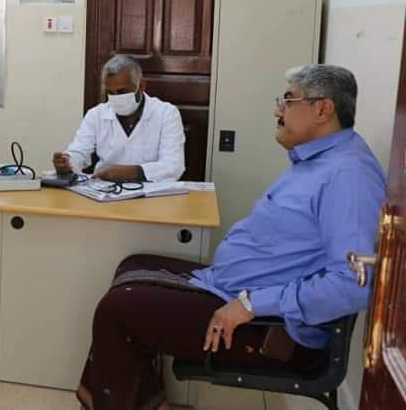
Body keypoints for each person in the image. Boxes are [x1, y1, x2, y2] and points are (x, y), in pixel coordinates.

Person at [75, 64, 386, 410]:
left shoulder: (348, 176)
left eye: (287, 100)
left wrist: (253, 304)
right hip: (231, 289)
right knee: (133, 265)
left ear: (323, 109)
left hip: (271, 330)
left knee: (117, 309)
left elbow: (354, 285)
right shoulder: (320, 161)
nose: (277, 111)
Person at [54, 55, 185, 182]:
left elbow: (174, 165)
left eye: (122, 91)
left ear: (141, 86)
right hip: (105, 188)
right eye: (110, 92)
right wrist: (68, 162)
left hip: (151, 189)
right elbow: (79, 151)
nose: (116, 97)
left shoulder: (166, 113)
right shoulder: (96, 115)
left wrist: (133, 172)